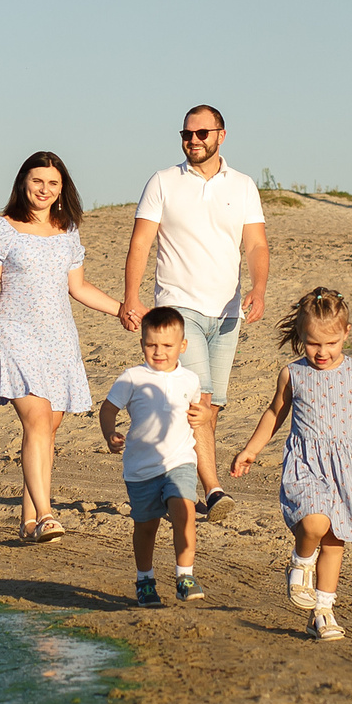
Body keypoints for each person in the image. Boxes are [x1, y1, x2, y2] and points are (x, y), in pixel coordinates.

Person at [229, 286, 352, 642]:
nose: (322, 352)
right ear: (300, 337)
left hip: (346, 466)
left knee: (335, 539)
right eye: (313, 344)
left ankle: (322, 612)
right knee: (314, 522)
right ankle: (299, 561)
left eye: (330, 343)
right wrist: (251, 449)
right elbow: (274, 414)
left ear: (346, 333)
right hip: (306, 462)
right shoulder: (292, 374)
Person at [119, 104, 268, 524]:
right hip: (178, 306)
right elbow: (141, 243)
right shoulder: (163, 182)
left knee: (210, 406)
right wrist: (132, 296)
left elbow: (255, 245)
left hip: (227, 313)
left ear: (221, 135)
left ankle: (179, 482)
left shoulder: (242, 186)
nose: (193, 141)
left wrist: (258, 288)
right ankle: (215, 491)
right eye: (186, 134)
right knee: (200, 400)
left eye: (202, 133)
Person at [0, 150, 127, 542]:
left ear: (62, 190)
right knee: (38, 422)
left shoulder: (67, 230)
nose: (44, 189)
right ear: (23, 182)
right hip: (14, 335)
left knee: (48, 429)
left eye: (53, 183)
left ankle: (27, 523)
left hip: (59, 339)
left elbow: (78, 287)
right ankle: (46, 513)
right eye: (37, 181)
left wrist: (122, 311)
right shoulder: (1, 228)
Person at [97, 305, 208, 608]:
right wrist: (110, 434)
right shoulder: (132, 377)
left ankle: (185, 576)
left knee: (184, 509)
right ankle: (145, 580)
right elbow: (107, 409)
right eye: (151, 345)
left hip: (179, 461)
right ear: (142, 343)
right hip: (141, 468)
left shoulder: (190, 379)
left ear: (182, 346)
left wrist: (202, 415)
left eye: (167, 346)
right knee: (146, 527)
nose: (159, 352)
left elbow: (198, 411)